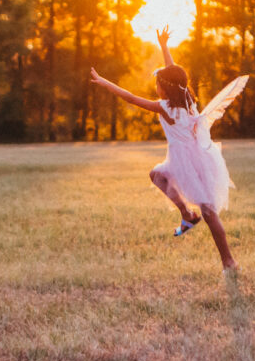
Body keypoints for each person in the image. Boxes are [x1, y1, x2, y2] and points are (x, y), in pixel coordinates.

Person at [89, 26, 246, 271]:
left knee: (208, 210)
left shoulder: (164, 107)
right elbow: (175, 75)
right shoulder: (188, 100)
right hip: (198, 157)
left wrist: (103, 82)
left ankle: (228, 260)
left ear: (165, 87)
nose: (156, 88)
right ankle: (186, 214)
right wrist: (164, 47)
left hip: (185, 161)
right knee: (157, 176)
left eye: (158, 84)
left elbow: (130, 97)